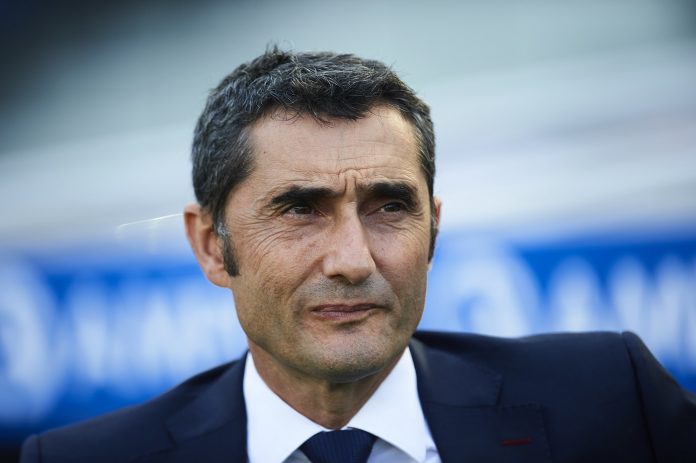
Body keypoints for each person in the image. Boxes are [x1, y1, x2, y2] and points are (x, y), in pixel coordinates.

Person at [21, 48, 696, 463]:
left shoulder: (610, 398)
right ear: (211, 245)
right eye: (299, 210)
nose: (351, 258)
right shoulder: (82, 457)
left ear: (434, 229)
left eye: (390, 206)